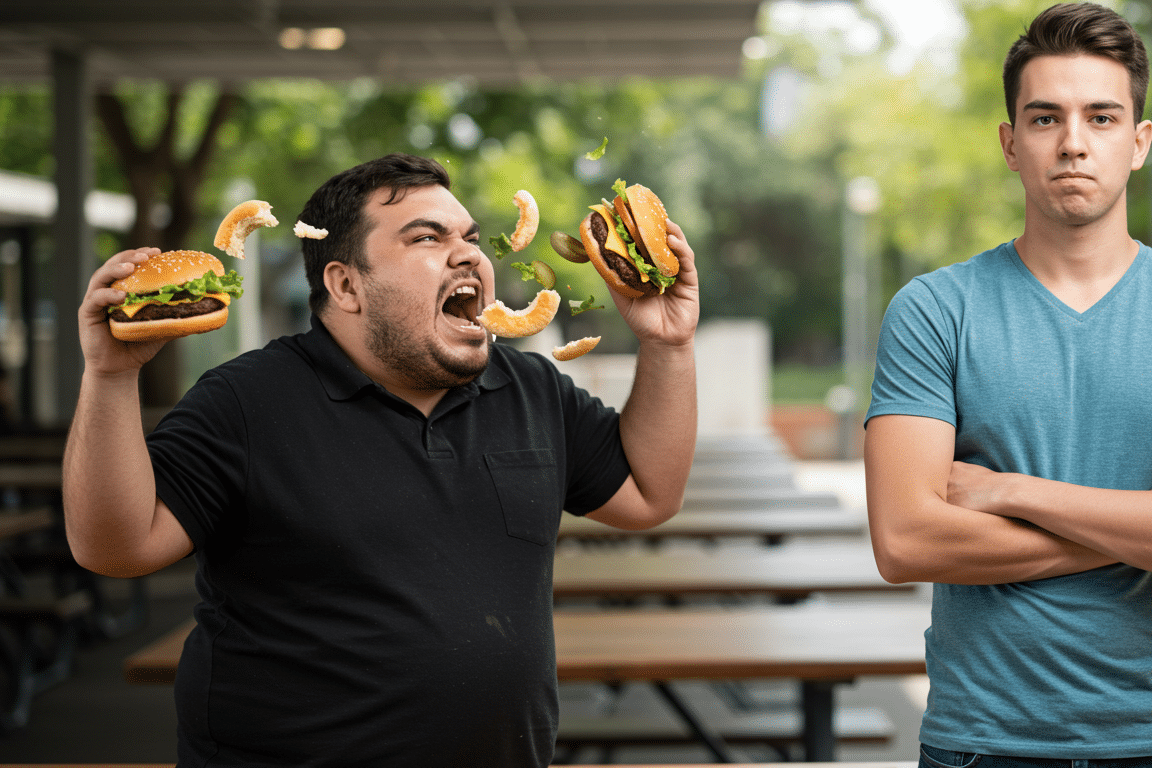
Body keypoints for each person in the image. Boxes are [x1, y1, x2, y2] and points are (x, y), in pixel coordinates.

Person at [63, 153, 700, 766]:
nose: (468, 253)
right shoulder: (245, 402)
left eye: (469, 236)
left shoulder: (531, 391)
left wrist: (667, 343)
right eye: (426, 238)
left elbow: (648, 493)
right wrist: (111, 376)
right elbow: (114, 548)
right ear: (346, 284)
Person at [864, 4, 1152, 767]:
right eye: (1045, 118)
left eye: (1102, 116)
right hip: (979, 744)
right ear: (1010, 143)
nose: (1074, 143)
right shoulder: (933, 310)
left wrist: (1012, 492)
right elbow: (904, 540)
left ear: (1139, 141)